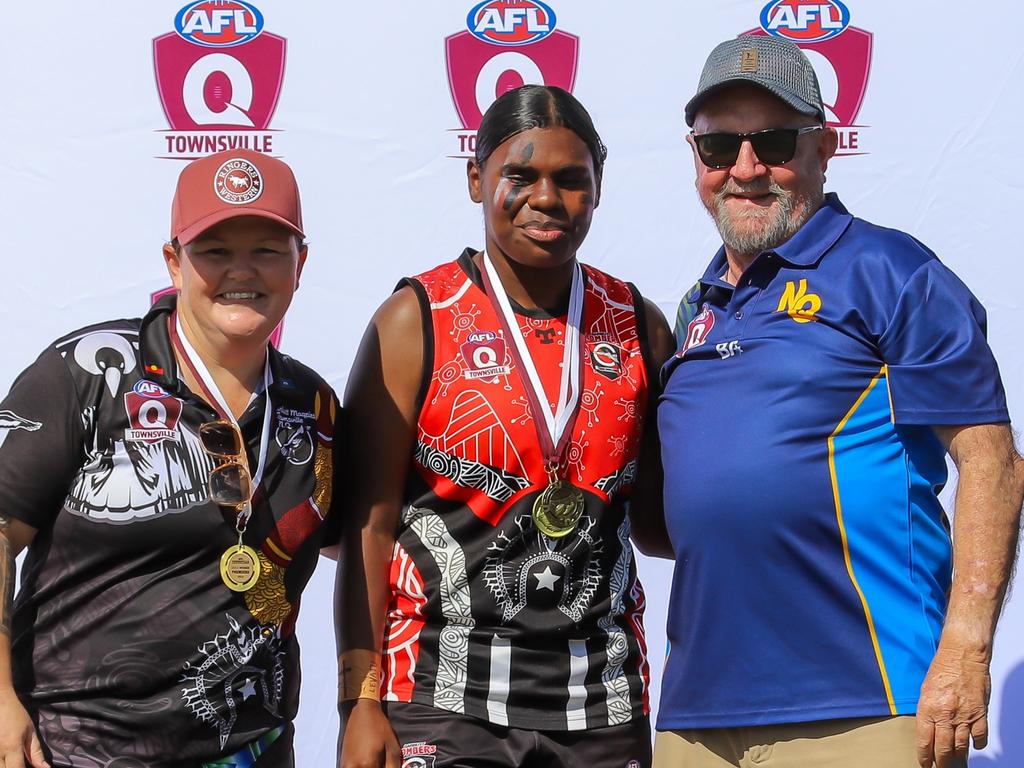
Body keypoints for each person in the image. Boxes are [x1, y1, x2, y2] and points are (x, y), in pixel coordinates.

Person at [654, 34, 1024, 768]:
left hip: (863, 703)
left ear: (824, 147)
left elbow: (994, 465)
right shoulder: (695, 307)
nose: (746, 168)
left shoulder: (891, 270)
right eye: (720, 146)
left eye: (775, 141)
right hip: (697, 716)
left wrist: (964, 652)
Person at [337, 84, 674, 768]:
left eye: (571, 180)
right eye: (520, 176)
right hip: (445, 696)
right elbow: (365, 529)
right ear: (475, 178)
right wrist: (359, 702)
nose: (546, 199)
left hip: (603, 706)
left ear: (599, 188)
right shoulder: (416, 320)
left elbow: (660, 522)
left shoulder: (638, 325)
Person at [0, 148, 341, 767]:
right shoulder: (87, 372)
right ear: (173, 262)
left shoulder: (311, 405)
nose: (243, 271)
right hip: (73, 748)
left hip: (251, 751)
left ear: (301, 263)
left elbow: (372, 546)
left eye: (267, 248)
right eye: (214, 250)